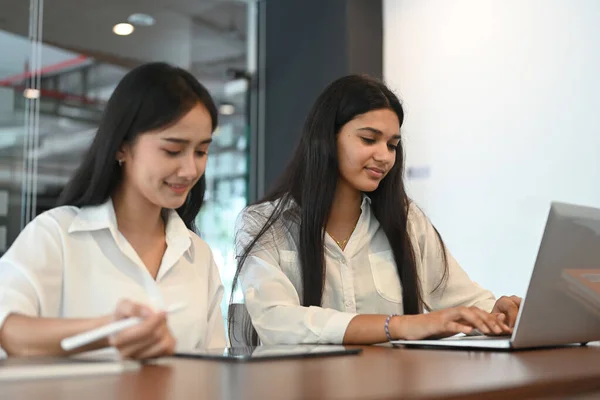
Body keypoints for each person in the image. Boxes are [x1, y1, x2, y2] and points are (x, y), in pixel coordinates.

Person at [230, 75, 521, 345]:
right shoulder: (264, 223)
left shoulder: (406, 221)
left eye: (392, 145)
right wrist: (400, 326)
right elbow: (276, 320)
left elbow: (462, 299)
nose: (384, 156)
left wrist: (496, 312)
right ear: (326, 138)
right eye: (369, 140)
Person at [0, 62, 226, 358]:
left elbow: (211, 365)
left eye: (201, 151)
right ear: (122, 147)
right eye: (173, 150)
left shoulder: (198, 257)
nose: (190, 169)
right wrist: (108, 331)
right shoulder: (56, 235)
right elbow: (8, 331)